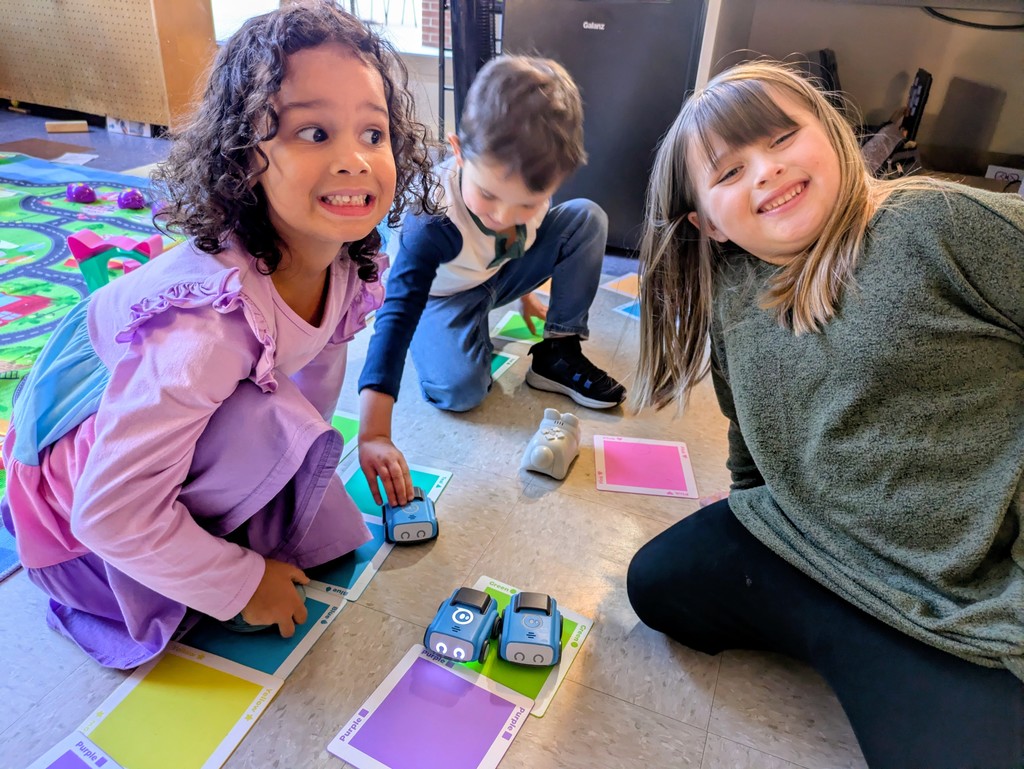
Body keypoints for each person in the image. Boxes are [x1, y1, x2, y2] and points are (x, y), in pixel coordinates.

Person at [0, 1, 437, 669]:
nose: (355, 159)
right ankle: (191, 554)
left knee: (273, 419)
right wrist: (240, 583)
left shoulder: (343, 260)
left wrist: (324, 462)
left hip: (136, 451)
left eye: (373, 134)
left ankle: (212, 527)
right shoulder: (205, 329)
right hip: (72, 524)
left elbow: (313, 376)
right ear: (244, 158)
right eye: (314, 133)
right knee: (255, 416)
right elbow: (107, 511)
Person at [626, 61, 1023, 768]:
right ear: (706, 223)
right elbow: (747, 434)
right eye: (728, 173)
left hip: (953, 595)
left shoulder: (936, 222)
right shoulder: (734, 290)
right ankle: (836, 626)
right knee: (654, 585)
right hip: (804, 540)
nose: (766, 172)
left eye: (782, 139)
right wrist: (750, 499)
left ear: (836, 133)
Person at [357, 55, 626, 507]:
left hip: (494, 277)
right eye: (488, 195)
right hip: (441, 296)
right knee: (461, 392)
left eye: (527, 203)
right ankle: (462, 335)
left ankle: (557, 352)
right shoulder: (432, 222)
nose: (504, 217)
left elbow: (520, 242)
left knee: (586, 218)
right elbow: (396, 317)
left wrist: (526, 300)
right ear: (459, 151)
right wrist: (374, 433)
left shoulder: (529, 170)